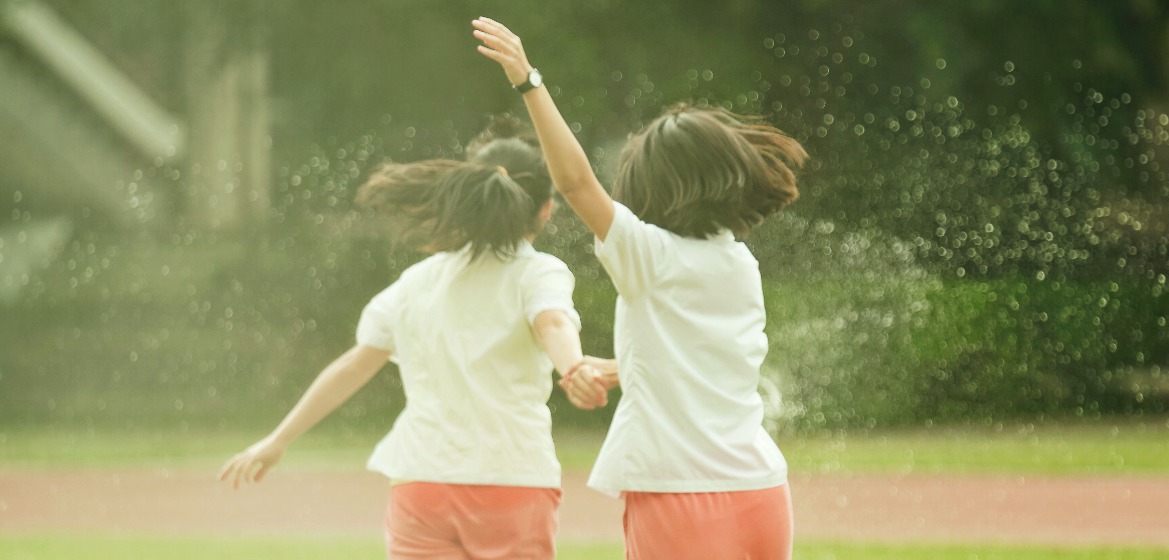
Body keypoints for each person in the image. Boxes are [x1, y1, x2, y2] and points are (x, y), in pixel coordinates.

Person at [472, 17, 808, 560]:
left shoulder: (648, 256)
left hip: (681, 497)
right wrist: (617, 368)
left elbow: (576, 183)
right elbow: (695, 360)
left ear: (655, 185)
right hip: (762, 492)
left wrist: (529, 81)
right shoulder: (739, 262)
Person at [218, 120, 610, 560]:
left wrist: (279, 439)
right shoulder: (537, 272)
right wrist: (573, 367)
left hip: (421, 483)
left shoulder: (416, 282)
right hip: (509, 480)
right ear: (546, 210)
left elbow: (353, 366)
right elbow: (553, 324)